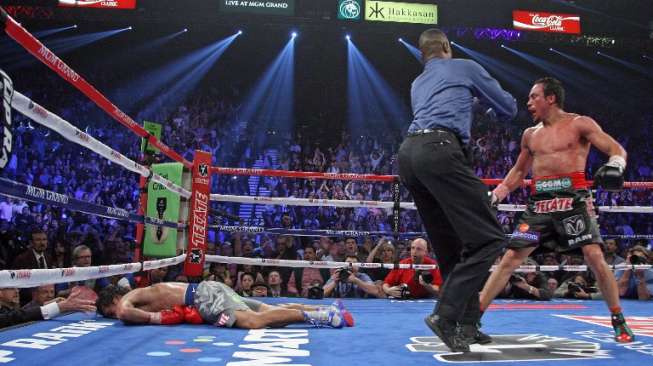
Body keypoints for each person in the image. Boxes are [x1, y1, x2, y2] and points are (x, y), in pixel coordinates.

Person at [481, 76, 635, 343]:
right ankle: (472, 318)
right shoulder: (530, 134)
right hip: (539, 204)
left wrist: (617, 164)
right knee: (510, 259)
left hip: (572, 200)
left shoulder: (579, 123)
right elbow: (519, 171)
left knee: (594, 256)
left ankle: (618, 319)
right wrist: (497, 194)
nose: (528, 102)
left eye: (534, 97)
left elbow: (615, 148)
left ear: (550, 98)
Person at [397, 28, 517, 352]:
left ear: (423, 54)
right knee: (490, 237)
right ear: (447, 47)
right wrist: (489, 101)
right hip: (440, 150)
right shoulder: (464, 66)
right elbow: (508, 106)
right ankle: (446, 316)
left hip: (408, 156)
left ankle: (468, 323)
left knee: (451, 248)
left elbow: (443, 107)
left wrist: (470, 102)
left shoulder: (417, 82)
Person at [96, 280, 354, 329]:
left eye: (109, 313)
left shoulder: (129, 298)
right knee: (263, 310)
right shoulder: (146, 291)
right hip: (208, 290)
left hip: (203, 298)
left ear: (114, 298)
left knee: (252, 322)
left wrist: (158, 319)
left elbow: (124, 311)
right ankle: (325, 309)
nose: (115, 317)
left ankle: (323, 318)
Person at [1, 286, 96, 328]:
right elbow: (12, 317)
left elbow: (19, 314)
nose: (17, 291)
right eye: (11, 288)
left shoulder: (10, 309)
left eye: (17, 288)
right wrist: (59, 307)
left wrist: (49, 305)